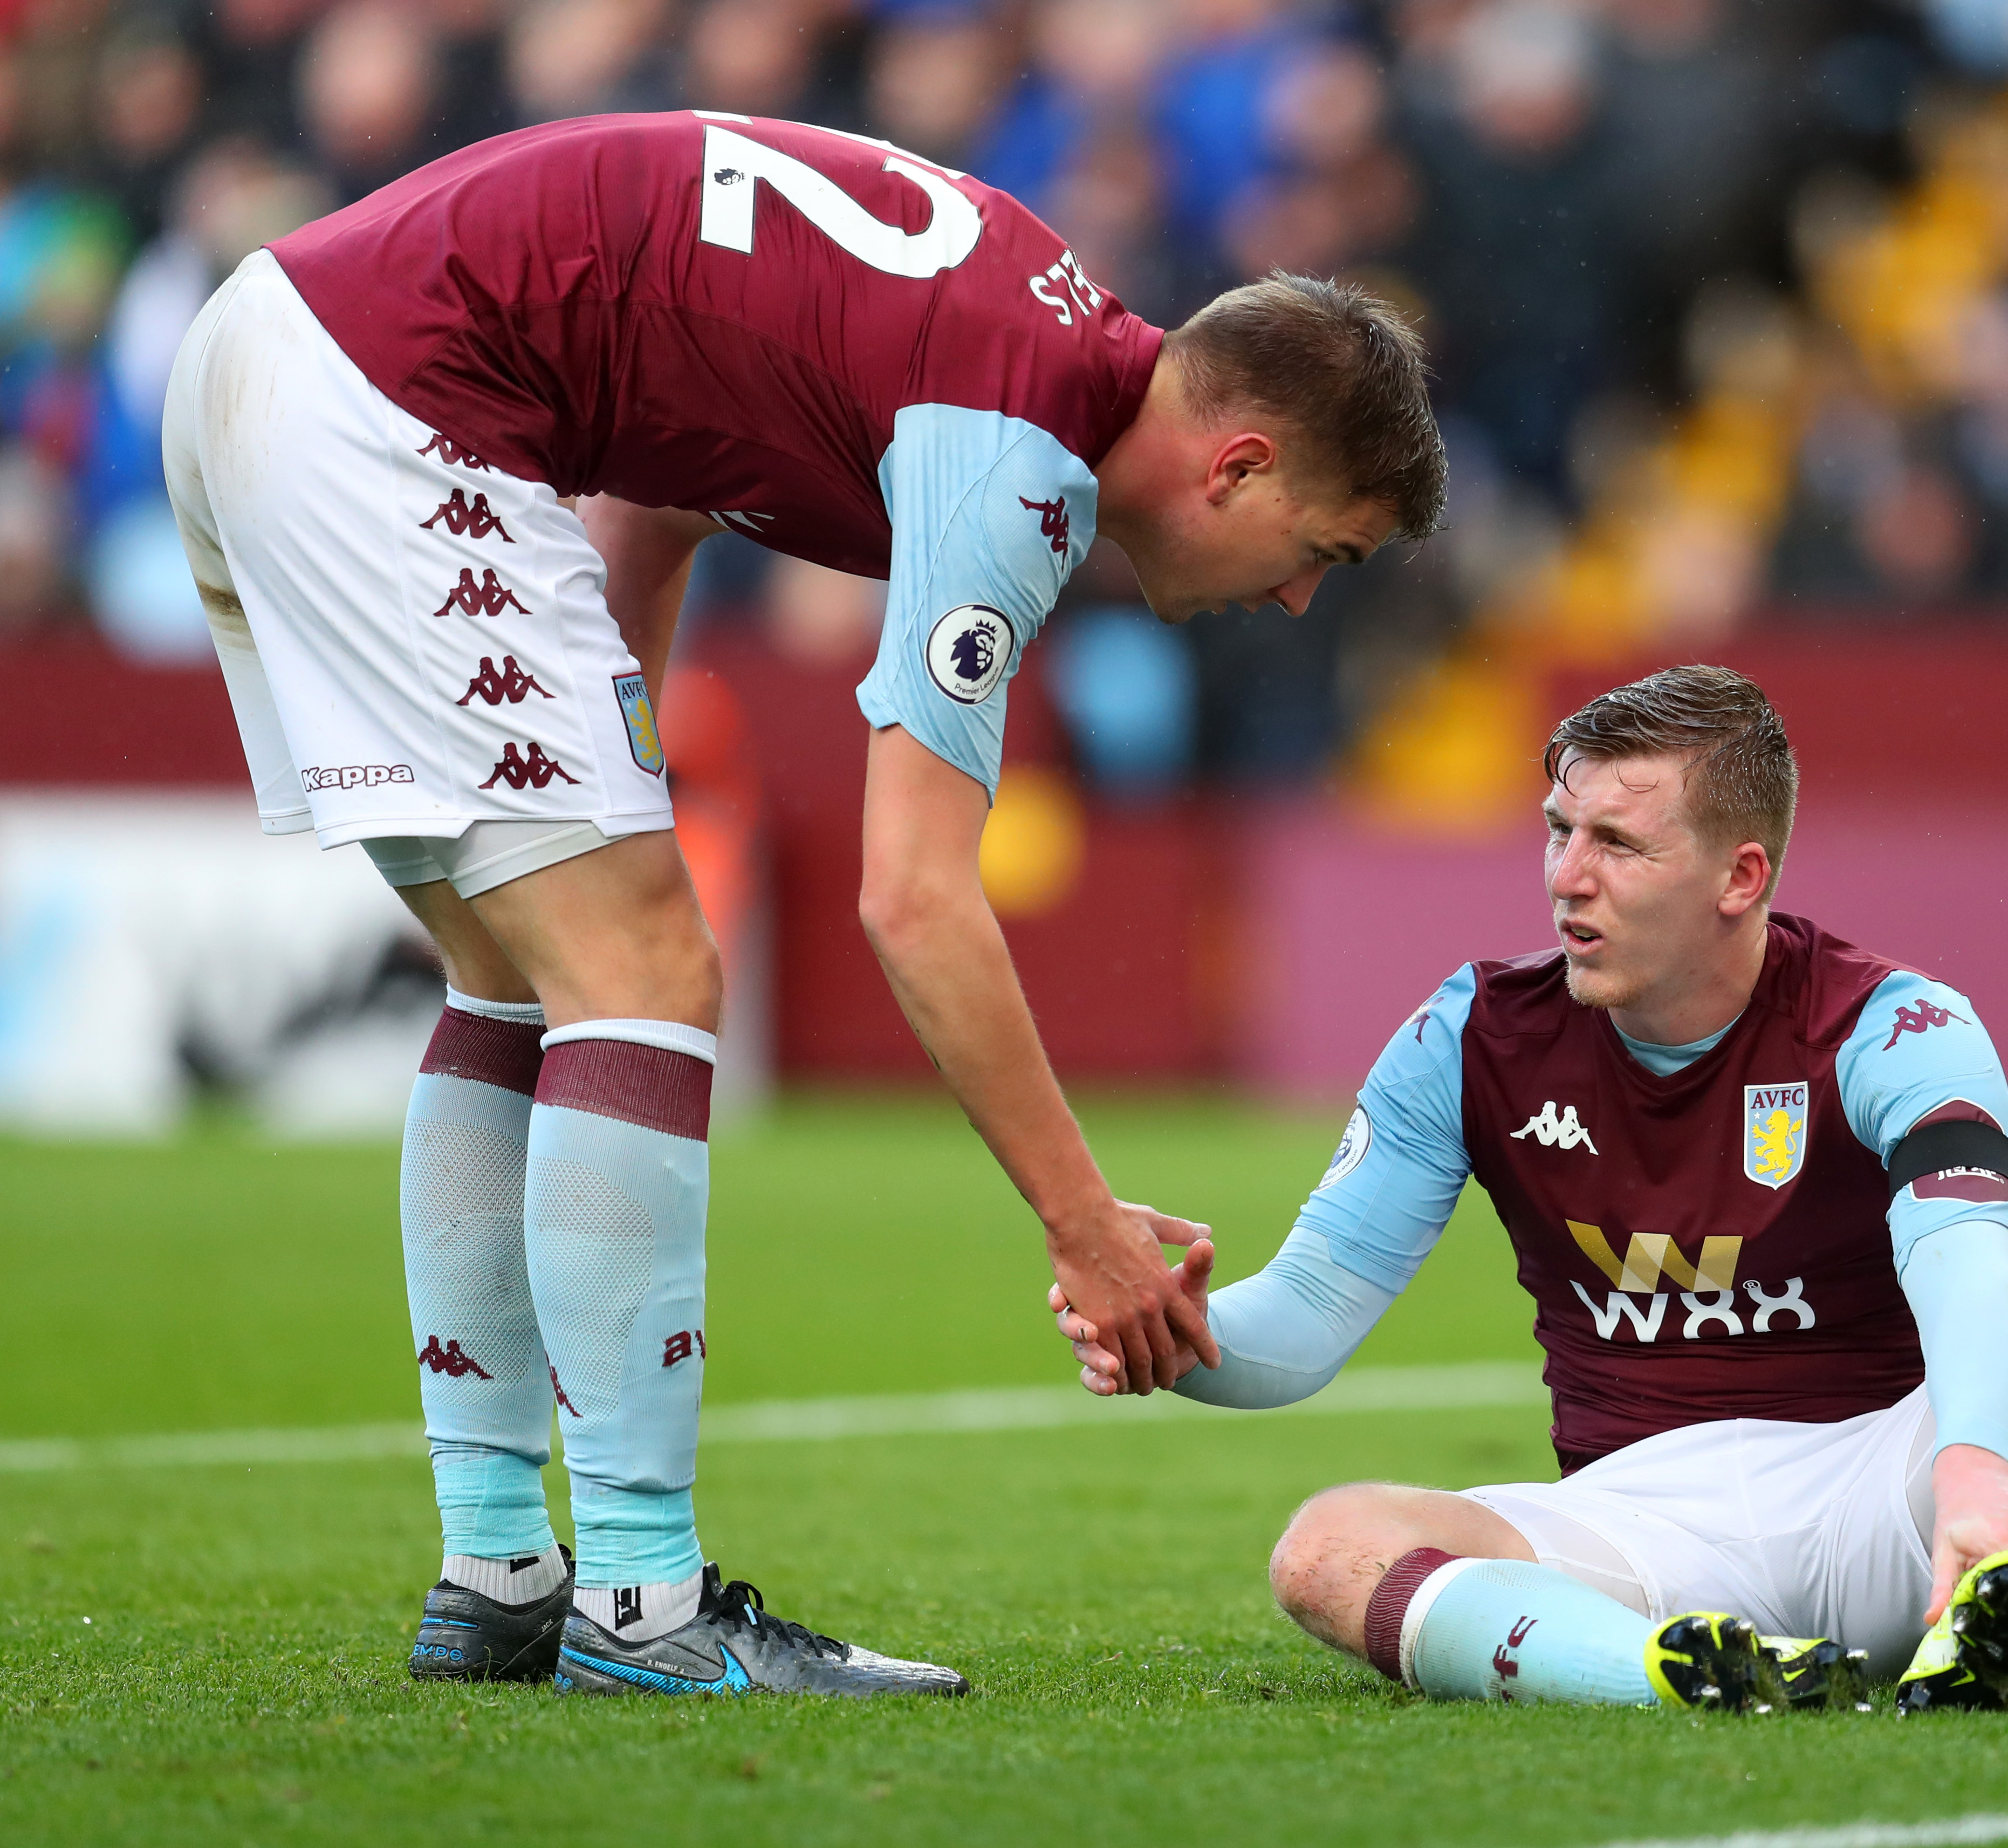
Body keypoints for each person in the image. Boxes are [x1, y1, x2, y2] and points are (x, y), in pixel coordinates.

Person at [161, 110, 1444, 1699]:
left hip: (273, 354)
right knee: (645, 970)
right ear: (1237, 464)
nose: (1301, 598)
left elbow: (665, 493)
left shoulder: (1015, 330)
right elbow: (914, 901)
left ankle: (497, 1573)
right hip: (392, 403)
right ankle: (644, 1605)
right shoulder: (1018, 459)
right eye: (1322, 551)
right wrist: (1088, 1231)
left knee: (520, 974)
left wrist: (615, 751)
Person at [1055, 666, 2008, 1715]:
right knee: (1326, 1548)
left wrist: (1975, 1471)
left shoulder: (1894, 1025)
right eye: (1559, 830)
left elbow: (1962, 1261)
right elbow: (1306, 1317)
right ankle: (1686, 1676)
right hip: (1637, 1529)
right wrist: (1170, 1326)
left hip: (1897, 1491)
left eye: (1617, 842)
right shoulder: (1469, 1038)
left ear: (1739, 876)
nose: (1567, 878)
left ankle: (1997, 1601)